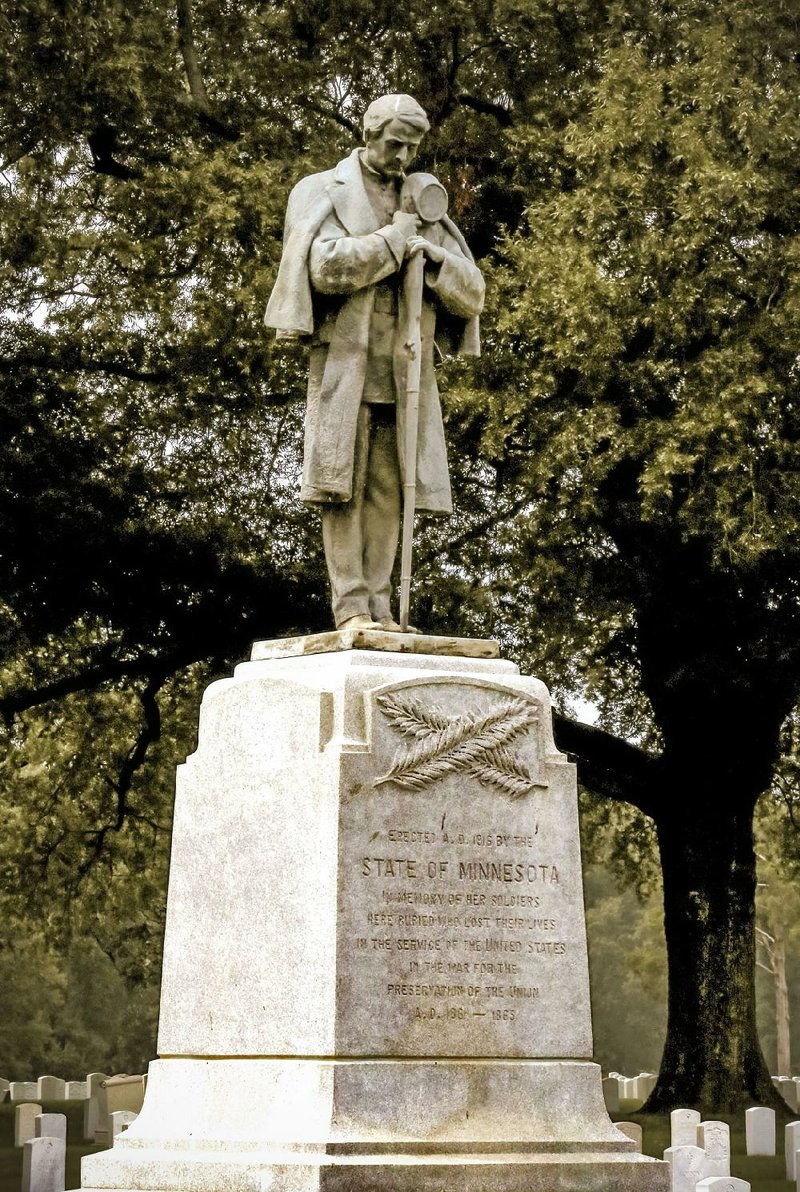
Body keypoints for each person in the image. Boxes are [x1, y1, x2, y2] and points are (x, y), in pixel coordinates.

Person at [265, 93, 484, 631]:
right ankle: (351, 607)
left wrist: (434, 259)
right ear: (369, 135)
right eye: (394, 143)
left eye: (412, 147)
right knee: (344, 486)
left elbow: (473, 292)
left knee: (392, 490)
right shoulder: (321, 189)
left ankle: (382, 606)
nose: (403, 156)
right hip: (346, 364)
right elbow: (325, 268)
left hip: (405, 366)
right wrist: (393, 239)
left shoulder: (421, 200)